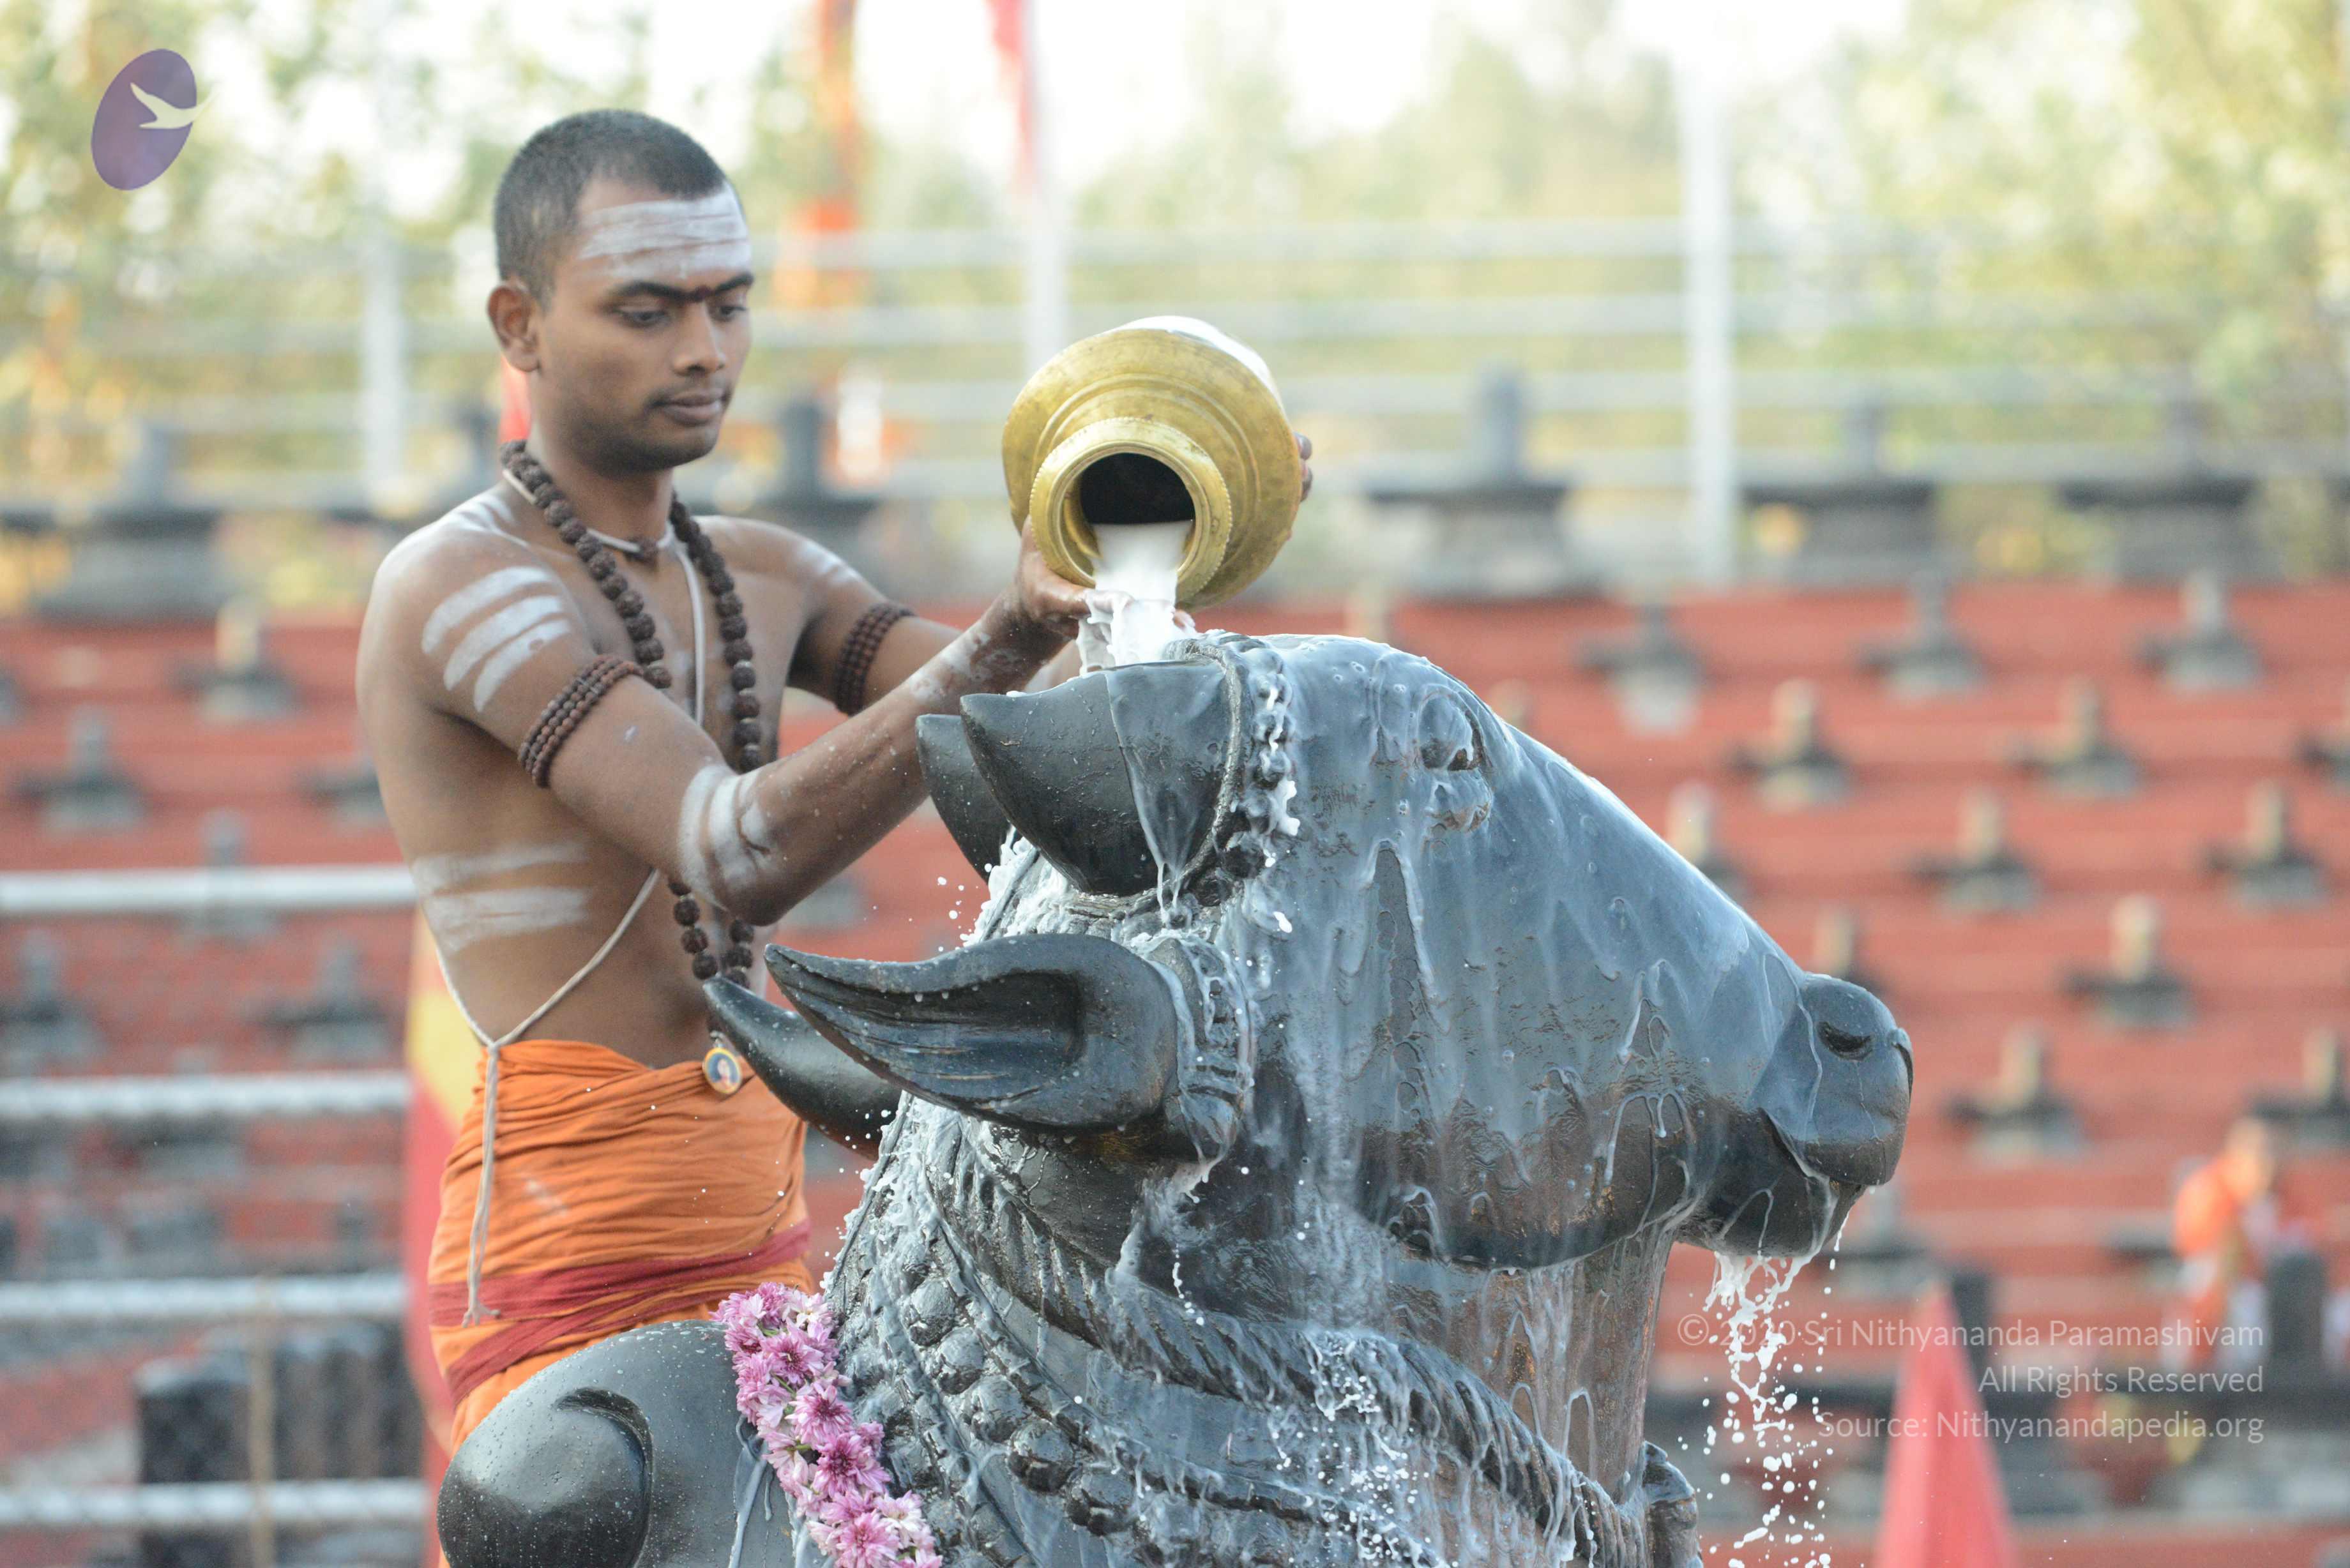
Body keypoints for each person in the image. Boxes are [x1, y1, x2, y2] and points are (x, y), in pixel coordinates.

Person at [355, 107, 1312, 1451]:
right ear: (520, 324)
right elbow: (735, 847)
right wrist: (1007, 628)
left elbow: (1043, 721)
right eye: (648, 310)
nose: (704, 349)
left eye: (729, 304)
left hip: (759, 1239)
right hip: (567, 1268)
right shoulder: (457, 585)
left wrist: (1175, 533)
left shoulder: (763, 572)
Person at [2167, 1114, 2310, 1369]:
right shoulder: (2208, 1189)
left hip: (2273, 1287)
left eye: (2274, 1152)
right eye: (2259, 1153)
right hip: (2223, 1285)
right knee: (2230, 1296)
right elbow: (2209, 1250)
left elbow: (2307, 1243)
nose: (2268, 1162)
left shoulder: (2287, 1193)